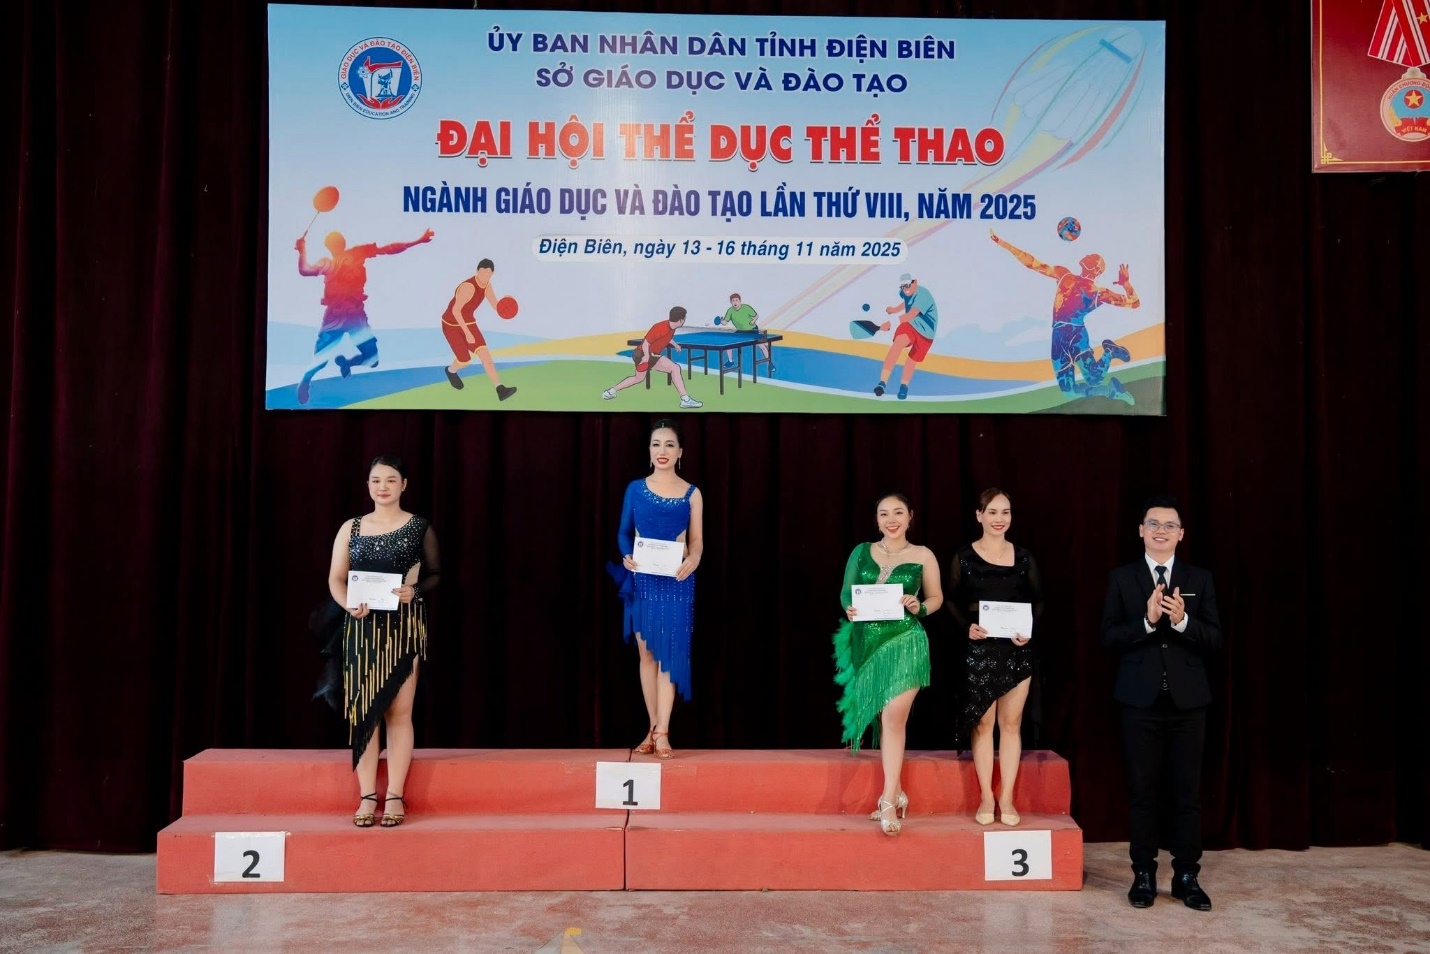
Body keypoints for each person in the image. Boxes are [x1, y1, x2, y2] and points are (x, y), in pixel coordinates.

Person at [1101, 494, 1221, 910]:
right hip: (1140, 703)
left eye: (1170, 525)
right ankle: (1144, 875)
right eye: (1153, 524)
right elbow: (1109, 638)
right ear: (1141, 530)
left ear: (1181, 534)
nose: (1161, 531)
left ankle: (1187, 877)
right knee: (1143, 793)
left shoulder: (1200, 578)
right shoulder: (1122, 578)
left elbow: (1214, 638)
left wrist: (1182, 621)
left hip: (1189, 704)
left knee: (1186, 795)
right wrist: (1148, 622)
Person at [326, 455, 442, 828]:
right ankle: (366, 796)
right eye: (376, 480)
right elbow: (336, 578)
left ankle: (394, 795)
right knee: (365, 714)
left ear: (403, 485)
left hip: (404, 628)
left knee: (399, 713)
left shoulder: (419, 526)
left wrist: (414, 591)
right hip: (361, 629)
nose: (383, 487)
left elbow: (435, 573)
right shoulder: (352, 527)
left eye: (391, 480)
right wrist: (347, 604)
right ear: (368, 485)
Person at [833, 493, 943, 835]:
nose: (891, 519)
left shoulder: (923, 555)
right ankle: (897, 791)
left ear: (910, 516)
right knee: (885, 718)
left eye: (898, 512)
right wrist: (849, 608)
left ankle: (886, 801)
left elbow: (936, 597)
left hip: (905, 642)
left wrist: (920, 607)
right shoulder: (861, 551)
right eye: (884, 514)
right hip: (868, 645)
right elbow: (846, 592)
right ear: (877, 519)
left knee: (894, 717)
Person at [945, 489, 1044, 827]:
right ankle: (987, 796)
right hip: (980, 651)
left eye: (1006, 512)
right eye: (992, 512)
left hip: (1017, 651)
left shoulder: (1024, 557)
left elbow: (1039, 600)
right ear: (979, 515)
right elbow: (951, 600)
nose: (1000, 519)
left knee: (1012, 724)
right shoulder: (963, 557)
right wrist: (967, 627)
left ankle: (1007, 798)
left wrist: (1028, 630)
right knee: (983, 725)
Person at [610, 419, 704, 758]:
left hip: (677, 580)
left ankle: (663, 731)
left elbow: (697, 540)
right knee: (647, 654)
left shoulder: (692, 494)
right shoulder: (635, 489)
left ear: (680, 452)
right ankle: (652, 728)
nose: (662, 450)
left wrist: (694, 558)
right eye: (656, 444)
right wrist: (627, 555)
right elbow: (623, 532)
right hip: (643, 581)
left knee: (669, 654)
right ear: (649, 451)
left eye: (669, 444)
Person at [988, 230, 1138, 406]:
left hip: (1076, 334)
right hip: (1058, 335)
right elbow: (1033, 263)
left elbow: (1134, 303)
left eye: (1092, 257)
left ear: (1096, 269)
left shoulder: (1099, 293)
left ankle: (1110, 352)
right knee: (1069, 392)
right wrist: (1003, 243)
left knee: (1094, 378)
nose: (1087, 255)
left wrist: (1126, 283)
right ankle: (1109, 391)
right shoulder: (1064, 275)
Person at [294, 228, 433, 405]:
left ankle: (348, 364)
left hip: (356, 316)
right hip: (335, 318)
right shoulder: (328, 263)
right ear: (330, 246)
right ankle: (306, 380)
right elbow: (305, 270)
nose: (339, 242)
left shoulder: (357, 253)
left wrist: (417, 241)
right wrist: (302, 250)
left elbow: (387, 249)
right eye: (335, 241)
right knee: (321, 360)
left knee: (372, 359)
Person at [440, 257, 517, 402]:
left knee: (485, 355)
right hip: (451, 325)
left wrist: (506, 302)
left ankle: (500, 389)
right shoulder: (468, 287)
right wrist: (468, 333)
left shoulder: (487, 286)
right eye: (483, 272)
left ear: (492, 274)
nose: (485, 276)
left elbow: (497, 307)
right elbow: (456, 311)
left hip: (468, 321)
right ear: (477, 271)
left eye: (489, 273)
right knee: (464, 361)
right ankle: (450, 371)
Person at [603, 306, 703, 409]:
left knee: (640, 378)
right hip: (642, 354)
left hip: (652, 355)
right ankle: (685, 400)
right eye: (684, 318)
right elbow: (646, 343)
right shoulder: (660, 327)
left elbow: (666, 337)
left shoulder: (672, 327)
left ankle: (610, 391)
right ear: (680, 320)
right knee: (673, 369)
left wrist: (675, 345)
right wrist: (646, 357)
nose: (685, 320)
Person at [873, 272, 939, 400]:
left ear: (915, 282)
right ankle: (882, 383)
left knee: (911, 360)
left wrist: (889, 323)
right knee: (898, 344)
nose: (905, 289)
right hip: (910, 325)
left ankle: (904, 386)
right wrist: (894, 309)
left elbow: (911, 314)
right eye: (903, 286)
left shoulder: (923, 295)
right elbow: (906, 302)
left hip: (926, 333)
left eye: (908, 285)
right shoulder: (905, 292)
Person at [715, 292, 774, 373]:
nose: (735, 302)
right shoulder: (730, 311)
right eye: (733, 301)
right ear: (731, 302)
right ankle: (730, 361)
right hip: (741, 331)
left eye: (736, 300)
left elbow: (756, 315)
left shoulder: (746, 308)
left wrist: (753, 320)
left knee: (763, 347)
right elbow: (725, 323)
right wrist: (720, 321)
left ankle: (770, 364)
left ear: (740, 301)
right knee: (728, 343)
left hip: (752, 330)